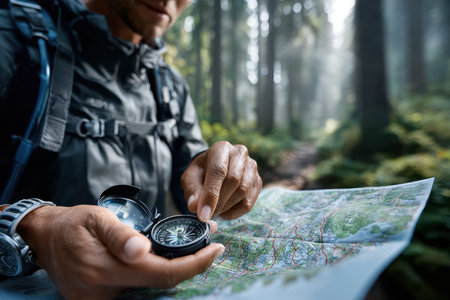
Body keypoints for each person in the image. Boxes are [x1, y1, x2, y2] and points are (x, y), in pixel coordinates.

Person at [0, 0, 262, 299]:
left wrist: (218, 175)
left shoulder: (169, 86)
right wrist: (32, 225)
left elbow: (191, 189)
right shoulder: (13, 42)